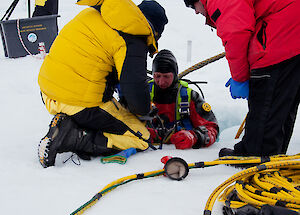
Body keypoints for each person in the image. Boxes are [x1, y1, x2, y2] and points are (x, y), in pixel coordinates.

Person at [37, 0, 168, 168]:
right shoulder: (133, 38)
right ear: (155, 31)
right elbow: (135, 95)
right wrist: (145, 109)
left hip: (47, 92)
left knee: (113, 113)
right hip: (79, 103)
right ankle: (75, 137)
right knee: (141, 137)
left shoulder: (97, 13)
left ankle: (70, 124)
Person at [184, 0, 300, 157]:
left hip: (279, 38)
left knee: (266, 99)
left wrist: (240, 78)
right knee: (282, 104)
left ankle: (254, 158)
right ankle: (273, 156)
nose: (196, 12)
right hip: (292, 36)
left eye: (193, 5)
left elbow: (236, 32)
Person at [147, 49, 219, 149]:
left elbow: (212, 128)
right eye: (157, 76)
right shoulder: (143, 92)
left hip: (183, 154)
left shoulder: (190, 97)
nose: (161, 81)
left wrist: (195, 137)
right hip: (147, 151)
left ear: (175, 75)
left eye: (166, 76)